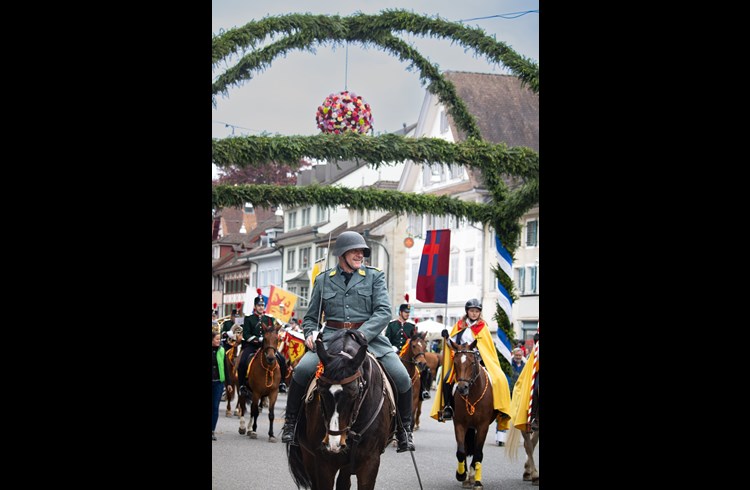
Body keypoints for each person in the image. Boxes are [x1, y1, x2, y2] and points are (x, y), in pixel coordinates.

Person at [281, 231, 415, 452]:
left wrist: (362, 334)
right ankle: (291, 424)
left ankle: (404, 431)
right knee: (302, 370)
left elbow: (383, 312)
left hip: (368, 340)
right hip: (332, 337)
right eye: (355, 251)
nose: (360, 255)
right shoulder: (324, 280)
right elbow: (312, 317)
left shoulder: (374, 276)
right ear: (342, 254)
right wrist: (310, 334)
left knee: (402, 377)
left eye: (362, 251)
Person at [430, 298, 511, 431]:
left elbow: (487, 347)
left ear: (479, 313)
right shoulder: (459, 325)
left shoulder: (482, 327)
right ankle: (448, 407)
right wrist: (447, 338)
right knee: (446, 380)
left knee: (499, 379)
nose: (474, 313)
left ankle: (499, 408)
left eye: (476, 311)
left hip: (478, 360)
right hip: (462, 360)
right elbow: (452, 345)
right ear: (467, 312)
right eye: (472, 311)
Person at [238, 291, 289, 395]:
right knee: (243, 361)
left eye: (262, 305)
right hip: (253, 346)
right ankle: (242, 385)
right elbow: (246, 335)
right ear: (255, 306)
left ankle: (282, 383)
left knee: (282, 360)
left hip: (268, 347)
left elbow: (275, 330)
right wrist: (258, 339)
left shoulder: (269, 319)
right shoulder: (249, 318)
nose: (261, 307)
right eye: (259, 305)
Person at [384, 295, 431, 400]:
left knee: (424, 370)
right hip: (394, 353)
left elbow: (416, 341)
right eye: (406, 312)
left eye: (408, 313)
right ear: (400, 312)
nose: (407, 314)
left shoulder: (411, 326)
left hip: (409, 355)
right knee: (384, 367)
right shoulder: (392, 325)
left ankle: (423, 390)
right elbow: (387, 340)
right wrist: (392, 348)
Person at [212, 331, 233, 441]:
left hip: (218, 383)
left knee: (215, 407)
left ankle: (212, 430)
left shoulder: (221, 350)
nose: (218, 341)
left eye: (219, 339)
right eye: (216, 339)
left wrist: (228, 383)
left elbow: (226, 368)